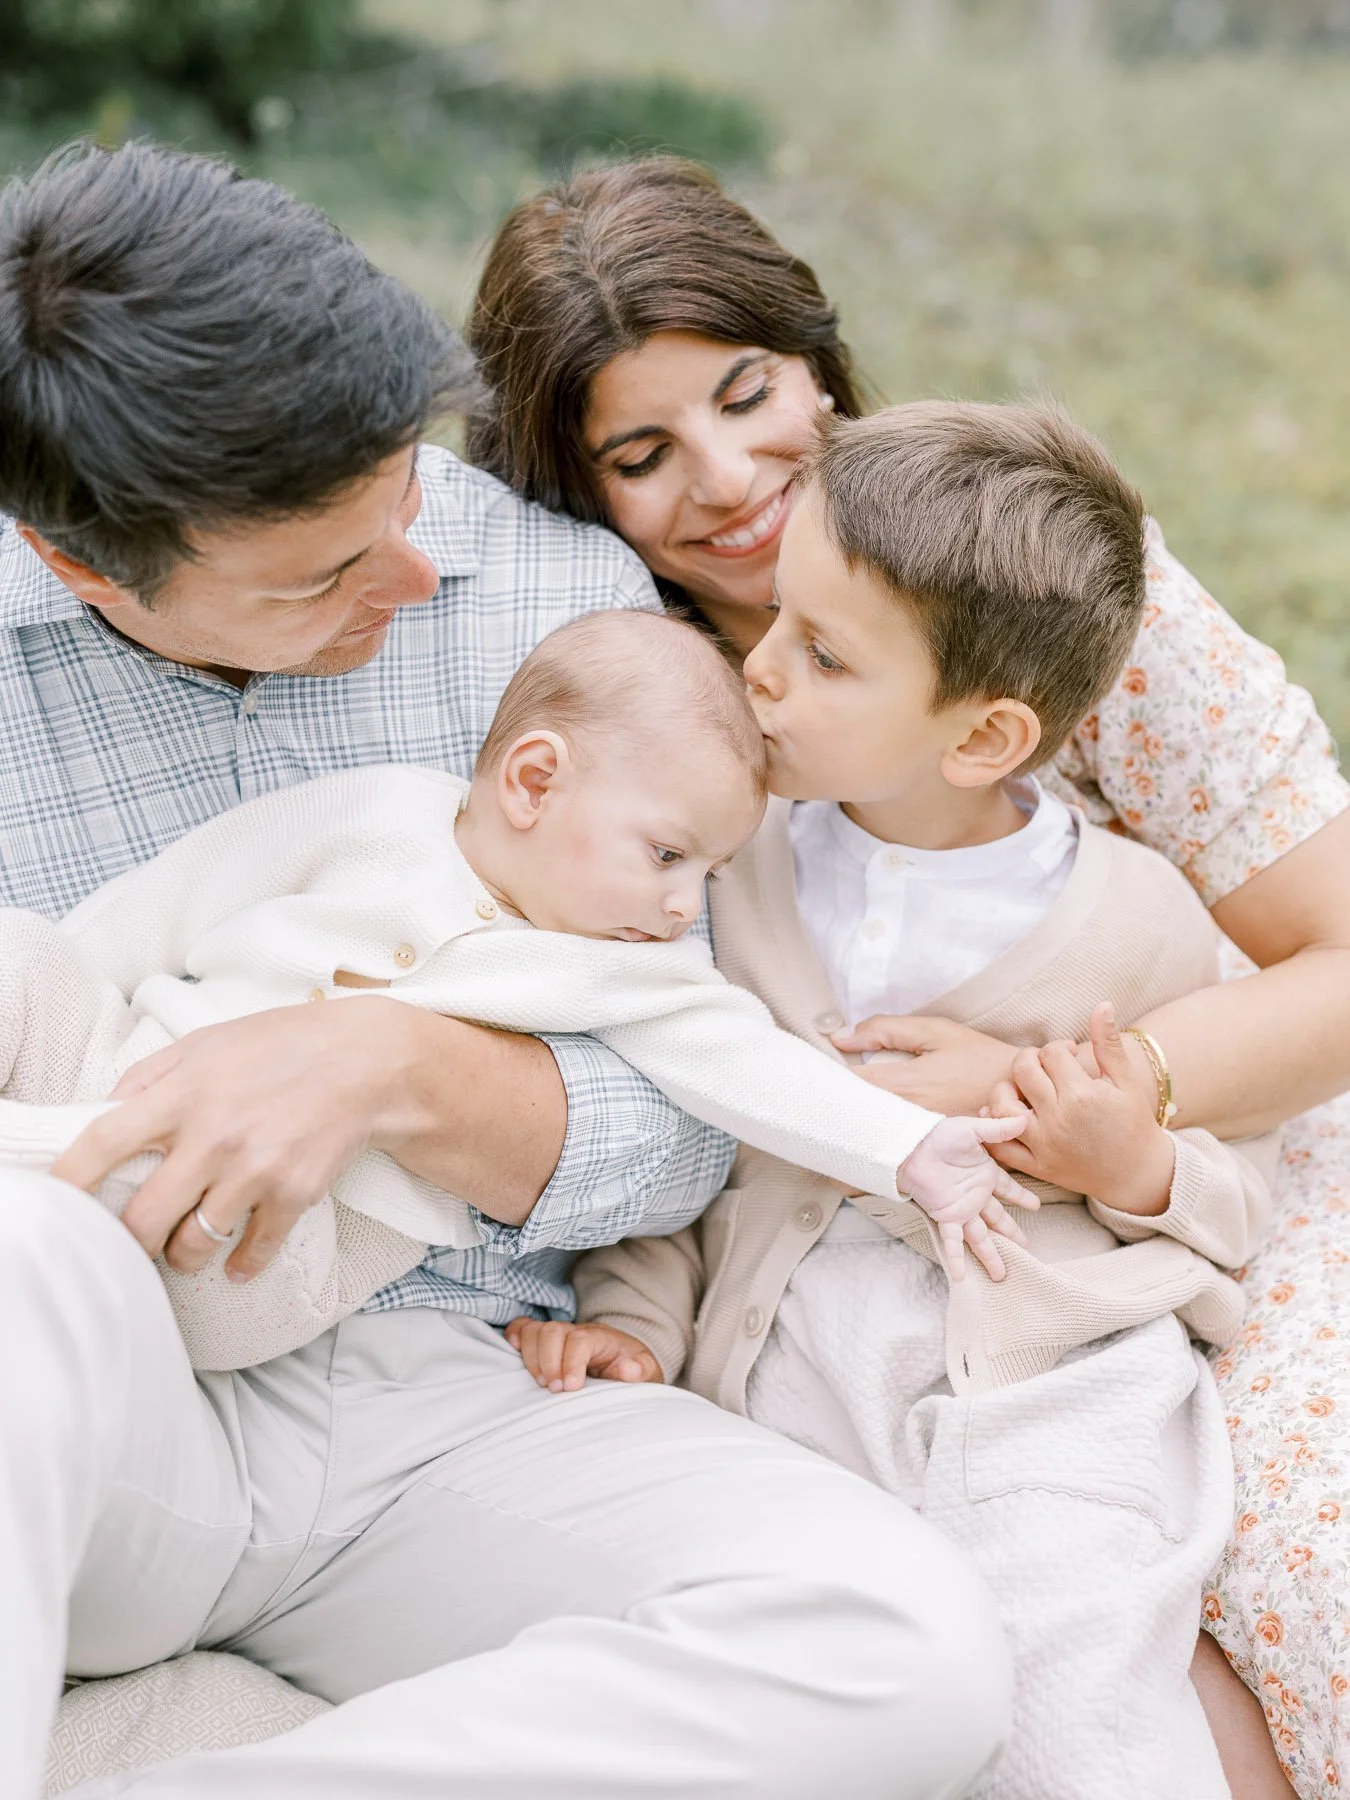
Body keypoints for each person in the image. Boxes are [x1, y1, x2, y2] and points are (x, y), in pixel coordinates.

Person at [0, 143, 1013, 1799]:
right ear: (83, 568)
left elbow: (685, 1116)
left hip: (445, 1400)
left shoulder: (565, 599)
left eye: (405, 491)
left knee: (899, 1646)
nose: (424, 572)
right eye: (327, 573)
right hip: (100, 1386)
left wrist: (397, 1069)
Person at [466, 157, 1350, 1800]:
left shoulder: (1022, 568)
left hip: (1181, 1161)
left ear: (818, 364)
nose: (730, 481)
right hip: (809, 1306)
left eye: (749, 397)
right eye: (643, 455)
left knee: (1274, 1569)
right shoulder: (635, 715)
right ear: (576, 490)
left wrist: (1092, 1098)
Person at [0, 608, 1034, 1372]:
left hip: (264, 1245)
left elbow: (749, 1063)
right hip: (123, 1061)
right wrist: (67, 990)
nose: (682, 908)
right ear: (535, 782)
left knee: (146, 1183)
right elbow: (168, 901)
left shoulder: (630, 970)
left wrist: (910, 1151)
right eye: (668, 854)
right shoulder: (378, 812)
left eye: (706, 876)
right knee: (20, 953)